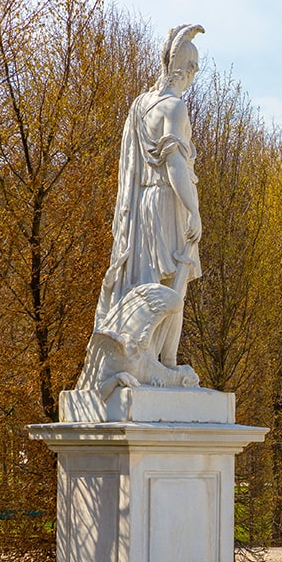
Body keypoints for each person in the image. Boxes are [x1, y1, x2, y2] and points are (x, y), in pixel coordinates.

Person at [95, 24, 205, 367]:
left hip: (142, 204)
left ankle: (147, 358)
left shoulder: (141, 105)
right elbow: (174, 163)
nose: (192, 78)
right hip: (167, 201)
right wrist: (193, 210)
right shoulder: (174, 107)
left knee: (145, 281)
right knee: (176, 283)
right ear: (184, 71)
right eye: (193, 71)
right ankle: (165, 362)